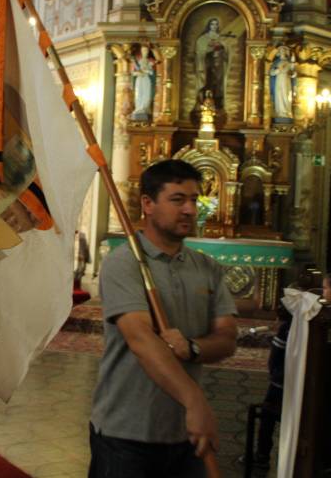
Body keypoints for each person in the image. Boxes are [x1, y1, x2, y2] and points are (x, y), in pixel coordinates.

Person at [89, 159, 238, 478]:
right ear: (148, 204)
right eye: (177, 199)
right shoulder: (124, 264)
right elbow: (141, 339)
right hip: (127, 433)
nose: (189, 209)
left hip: (186, 433)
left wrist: (193, 348)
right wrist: (195, 400)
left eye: (193, 200)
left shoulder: (206, 268)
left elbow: (227, 338)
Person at [247, 273, 331, 469]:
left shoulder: (305, 324)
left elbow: (276, 362)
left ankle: (261, 455)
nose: (320, 294)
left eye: (324, 289)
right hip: (330, 390)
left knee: (268, 409)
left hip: (290, 386)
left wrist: (277, 377)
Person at [130, 45, 156, 122]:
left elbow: (152, 73)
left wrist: (146, 71)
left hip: (146, 79)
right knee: (138, 93)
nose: (145, 52)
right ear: (141, 51)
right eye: (143, 50)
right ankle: (138, 108)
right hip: (139, 79)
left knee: (146, 93)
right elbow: (133, 73)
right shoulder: (137, 62)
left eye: (146, 51)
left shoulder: (150, 61)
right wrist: (137, 73)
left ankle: (144, 108)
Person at [269, 45, 294, 120]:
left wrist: (292, 73)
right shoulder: (276, 62)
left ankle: (286, 112)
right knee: (279, 95)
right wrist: (278, 70)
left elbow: (293, 73)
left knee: (286, 95)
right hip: (279, 80)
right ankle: (279, 112)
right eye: (281, 50)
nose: (282, 52)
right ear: (279, 52)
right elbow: (271, 73)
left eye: (284, 50)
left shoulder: (289, 63)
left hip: (286, 80)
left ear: (286, 52)